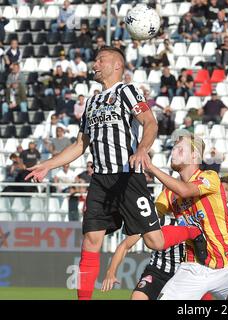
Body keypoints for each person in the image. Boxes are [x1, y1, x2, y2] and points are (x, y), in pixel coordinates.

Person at [25, 46, 206, 300]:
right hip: (100, 179)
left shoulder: (127, 91)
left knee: (153, 241)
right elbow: (80, 145)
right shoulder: (91, 102)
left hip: (127, 176)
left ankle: (193, 230)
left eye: (101, 59)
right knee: (90, 241)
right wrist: (48, 165)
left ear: (117, 66)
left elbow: (150, 122)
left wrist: (143, 149)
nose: (95, 63)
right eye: (95, 59)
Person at [145, 131, 228, 300]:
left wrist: (151, 167)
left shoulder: (210, 177)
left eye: (180, 149)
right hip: (192, 267)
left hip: (227, 266)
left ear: (194, 156)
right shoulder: (168, 193)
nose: (173, 152)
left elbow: (185, 190)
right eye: (173, 148)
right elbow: (150, 216)